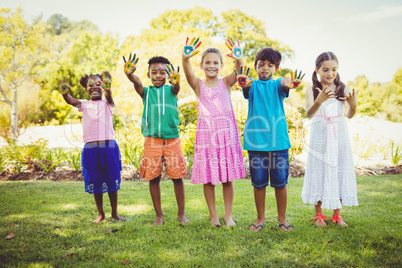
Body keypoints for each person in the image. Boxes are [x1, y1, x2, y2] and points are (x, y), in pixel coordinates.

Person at [237, 47, 304, 231]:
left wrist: (291, 82)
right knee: (259, 183)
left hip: (278, 143)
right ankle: (260, 219)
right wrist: (242, 77)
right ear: (256, 66)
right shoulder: (253, 86)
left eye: (269, 65)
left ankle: (282, 219)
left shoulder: (277, 85)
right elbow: (245, 82)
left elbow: (285, 82)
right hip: (256, 144)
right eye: (261, 65)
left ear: (276, 68)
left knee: (280, 183)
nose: (265, 68)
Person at [182, 37, 245, 227]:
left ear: (221, 65)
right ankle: (213, 216)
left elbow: (239, 70)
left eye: (215, 62)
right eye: (207, 62)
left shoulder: (226, 82)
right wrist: (185, 59)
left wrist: (239, 57)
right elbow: (187, 71)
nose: (211, 65)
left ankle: (228, 216)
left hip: (226, 136)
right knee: (209, 179)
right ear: (201, 65)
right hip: (207, 137)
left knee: (227, 178)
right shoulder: (198, 84)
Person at [123, 54, 190, 226]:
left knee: (177, 177)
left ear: (168, 75)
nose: (159, 76)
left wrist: (176, 82)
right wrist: (130, 75)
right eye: (154, 73)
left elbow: (176, 87)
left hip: (172, 140)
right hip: (152, 141)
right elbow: (136, 82)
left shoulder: (171, 90)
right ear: (148, 75)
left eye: (162, 73)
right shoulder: (146, 92)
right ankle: (159, 215)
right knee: (153, 177)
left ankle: (181, 214)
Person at [59, 72, 126, 223]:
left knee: (111, 182)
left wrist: (108, 89)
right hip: (91, 149)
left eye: (98, 84)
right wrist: (65, 94)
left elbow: (109, 96)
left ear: (104, 87)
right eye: (90, 84)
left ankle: (114, 213)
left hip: (108, 147)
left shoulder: (107, 103)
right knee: (96, 182)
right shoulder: (84, 104)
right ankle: (101, 214)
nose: (94, 87)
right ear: (86, 88)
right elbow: (70, 101)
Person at [301, 51, 359, 227]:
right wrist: (319, 100)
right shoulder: (310, 90)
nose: (330, 73)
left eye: (334, 69)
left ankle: (337, 214)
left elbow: (349, 115)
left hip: (339, 136)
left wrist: (354, 106)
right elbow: (309, 114)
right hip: (319, 136)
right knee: (319, 171)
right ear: (317, 69)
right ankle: (318, 215)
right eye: (325, 69)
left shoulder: (344, 89)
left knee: (339, 170)